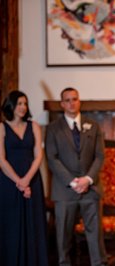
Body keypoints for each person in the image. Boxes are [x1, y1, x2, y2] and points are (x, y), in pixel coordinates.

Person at [45, 87, 107, 266]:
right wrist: (73, 182)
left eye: (75, 99)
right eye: (68, 100)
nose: (72, 102)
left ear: (79, 101)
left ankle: (99, 263)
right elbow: (52, 157)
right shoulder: (53, 129)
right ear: (62, 104)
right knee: (63, 235)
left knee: (95, 234)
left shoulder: (93, 125)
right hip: (64, 191)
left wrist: (87, 179)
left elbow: (100, 156)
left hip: (91, 188)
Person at [0, 90, 48, 266]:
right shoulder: (2, 127)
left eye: (25, 104)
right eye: (19, 103)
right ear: (11, 105)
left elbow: (39, 155)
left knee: (33, 222)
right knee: (11, 224)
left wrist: (27, 180)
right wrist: (19, 182)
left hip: (32, 180)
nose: (23, 107)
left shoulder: (33, 126)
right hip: (8, 182)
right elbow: (1, 159)